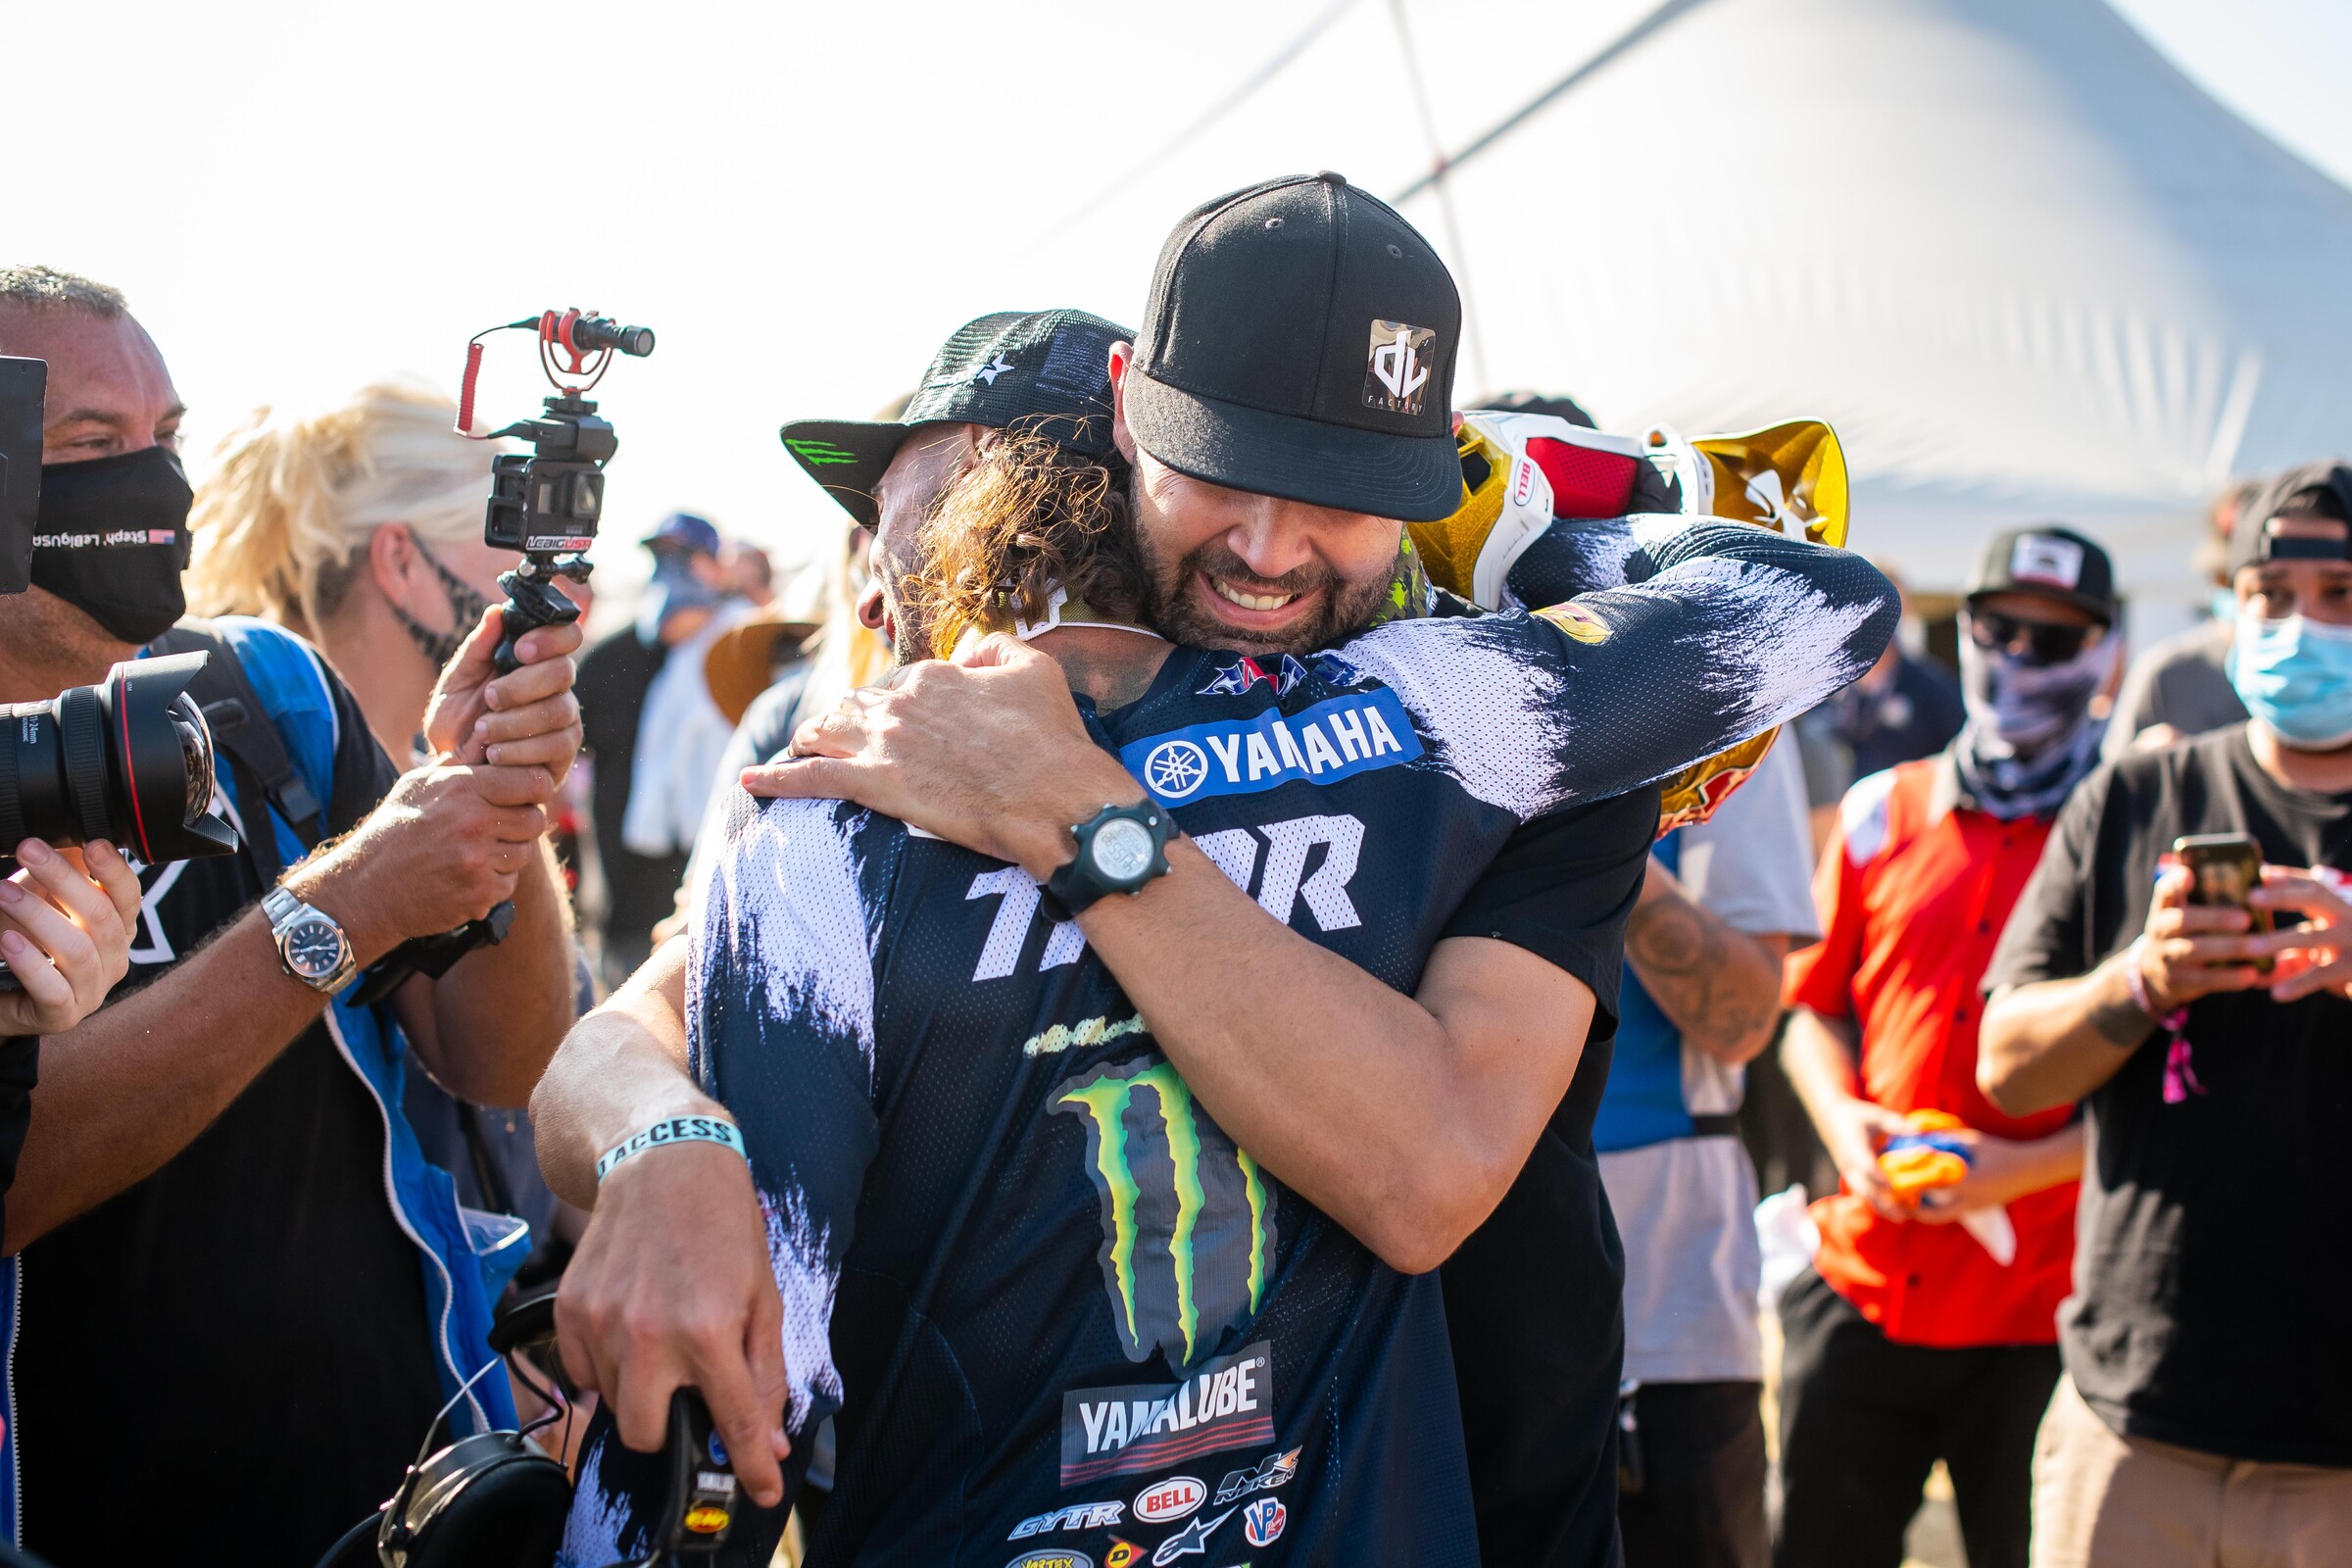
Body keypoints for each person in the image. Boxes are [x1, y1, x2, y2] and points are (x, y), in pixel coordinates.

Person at [538, 177, 1895, 1568]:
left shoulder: (1452, 725)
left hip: (1499, 1490)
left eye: (1344, 493)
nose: (1268, 545)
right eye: (1226, 473)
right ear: (1126, 433)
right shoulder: (1435, 718)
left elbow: (718, 1443)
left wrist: (1082, 810)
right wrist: (664, 1143)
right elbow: (642, 1028)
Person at [0, 265, 585, 1566]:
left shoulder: (261, 696)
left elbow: (500, 1057)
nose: (152, 482)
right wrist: (333, 912)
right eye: (92, 447)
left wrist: (491, 797)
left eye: (166, 436)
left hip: (400, 1504)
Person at [1980, 466, 2352, 1567]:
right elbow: (2008, 1068)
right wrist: (2141, 982)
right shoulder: (2135, 796)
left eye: (2340, 593)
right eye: (2270, 593)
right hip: (2134, 1426)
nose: (2300, 624)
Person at [1776, 526, 2118, 1568]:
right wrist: (1846, 1125)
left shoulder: (2131, 831)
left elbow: (2174, 1083)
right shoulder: (1885, 809)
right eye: (1997, 630)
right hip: (1865, 1275)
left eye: (2053, 641)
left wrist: (2022, 1169)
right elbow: (1810, 1011)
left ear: (2105, 651)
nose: (2018, 659)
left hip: (2045, 1310)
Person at [1601, 736, 1817, 1568]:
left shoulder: (1720, 694)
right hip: (1438, 1298)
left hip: (1664, 1308)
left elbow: (1744, 1017)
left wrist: (1591, 820)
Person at [577, 512, 732, 984]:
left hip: (708, 896)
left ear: (715, 567)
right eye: (661, 557)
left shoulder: (741, 652)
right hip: (626, 894)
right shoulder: (610, 660)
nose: (672, 570)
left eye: (685, 557)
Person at [2101, 478, 2263, 759]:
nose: (2240, 595)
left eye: (2268, 586)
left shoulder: (2322, 673)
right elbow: (2114, 773)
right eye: (2226, 578)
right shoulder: (2165, 673)